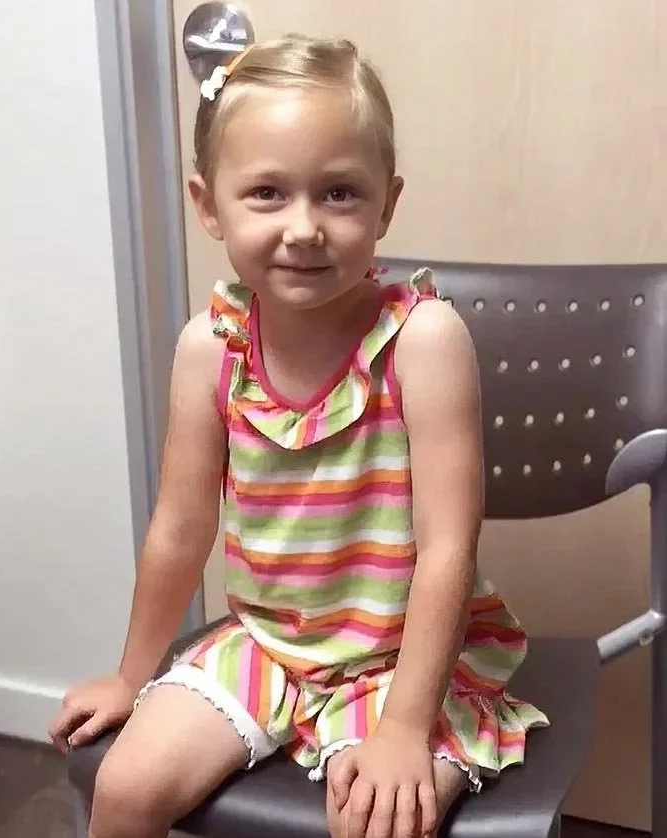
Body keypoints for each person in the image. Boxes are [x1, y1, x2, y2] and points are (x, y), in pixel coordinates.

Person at [49, 34, 548, 838]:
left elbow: (448, 548)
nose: (305, 227)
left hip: (400, 661)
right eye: (267, 193)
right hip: (270, 645)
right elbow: (180, 531)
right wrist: (130, 675)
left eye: (340, 193)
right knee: (126, 788)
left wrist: (404, 728)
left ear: (387, 203)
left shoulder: (424, 340)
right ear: (208, 205)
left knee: (376, 820)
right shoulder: (209, 350)